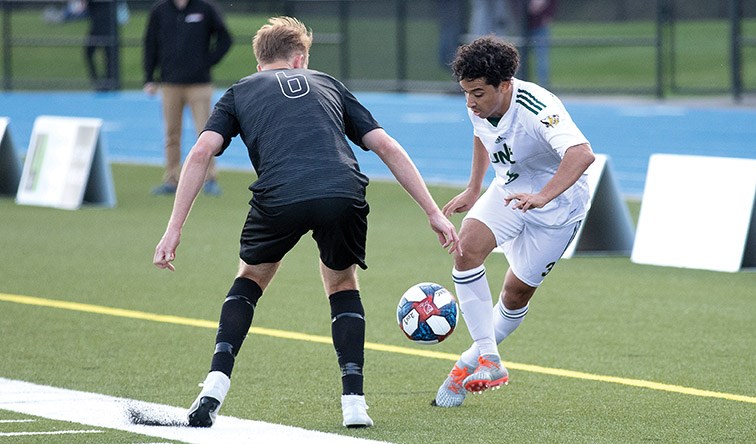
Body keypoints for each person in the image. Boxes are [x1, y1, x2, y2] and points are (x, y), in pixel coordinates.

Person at [153, 16, 459, 428]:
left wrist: (174, 229)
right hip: (343, 190)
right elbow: (385, 145)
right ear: (300, 59)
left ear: (260, 61)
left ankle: (213, 389)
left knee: (250, 280)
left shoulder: (239, 91)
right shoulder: (327, 82)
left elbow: (200, 153)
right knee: (342, 283)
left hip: (281, 195)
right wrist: (433, 211)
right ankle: (354, 404)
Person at [432, 36, 594, 408]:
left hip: (558, 210)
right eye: (465, 93)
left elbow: (581, 154)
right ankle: (491, 360)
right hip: (508, 192)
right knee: (466, 251)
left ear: (504, 86)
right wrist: (474, 188)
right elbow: (482, 135)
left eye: (478, 93)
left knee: (515, 294)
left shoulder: (539, 108)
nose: (470, 102)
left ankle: (464, 366)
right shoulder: (478, 103)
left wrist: (542, 197)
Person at [143, 0, 232, 196]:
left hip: (199, 84)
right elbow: (150, 43)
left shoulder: (205, 8)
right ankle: (172, 179)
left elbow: (226, 38)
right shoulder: (160, 10)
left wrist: (207, 61)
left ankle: (209, 179)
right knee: (171, 133)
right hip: (169, 83)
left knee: (206, 133)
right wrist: (149, 77)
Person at [84, 0, 119, 91]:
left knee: (109, 55)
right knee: (90, 52)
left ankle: (108, 82)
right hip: (100, 23)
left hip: (106, 23)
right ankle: (101, 81)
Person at [523, 0, 558, 87]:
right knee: (520, 57)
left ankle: (544, 85)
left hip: (540, 24)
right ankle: (521, 85)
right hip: (521, 26)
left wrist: (547, 15)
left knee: (541, 57)